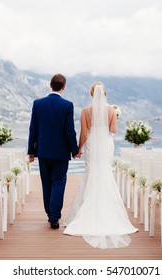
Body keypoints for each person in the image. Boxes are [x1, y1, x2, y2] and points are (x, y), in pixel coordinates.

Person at [63, 81, 138, 249]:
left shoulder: (85, 112)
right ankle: (108, 213)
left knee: (90, 173)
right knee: (105, 173)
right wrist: (111, 119)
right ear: (105, 94)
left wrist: (78, 149)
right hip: (105, 145)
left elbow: (83, 133)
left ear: (91, 94)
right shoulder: (111, 111)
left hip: (92, 144)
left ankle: (83, 214)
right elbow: (113, 130)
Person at [27, 73, 79, 229]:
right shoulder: (68, 105)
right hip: (61, 152)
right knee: (59, 182)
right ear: (63, 87)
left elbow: (33, 129)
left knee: (46, 182)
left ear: (50, 85)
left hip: (43, 151)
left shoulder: (38, 104)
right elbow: (70, 131)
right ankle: (54, 217)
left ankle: (50, 214)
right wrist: (74, 150)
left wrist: (31, 151)